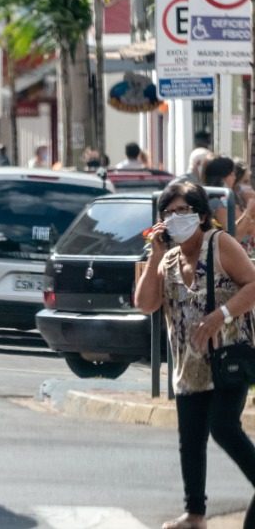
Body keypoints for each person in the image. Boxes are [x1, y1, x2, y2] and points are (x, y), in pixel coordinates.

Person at [135, 179, 255, 529]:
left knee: (223, 427)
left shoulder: (220, 245)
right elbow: (146, 304)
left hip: (228, 356)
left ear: (201, 215)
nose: (175, 218)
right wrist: (155, 254)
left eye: (182, 211)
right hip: (189, 363)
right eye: (168, 213)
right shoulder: (168, 258)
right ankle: (195, 514)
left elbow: (253, 283)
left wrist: (221, 315)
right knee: (190, 439)